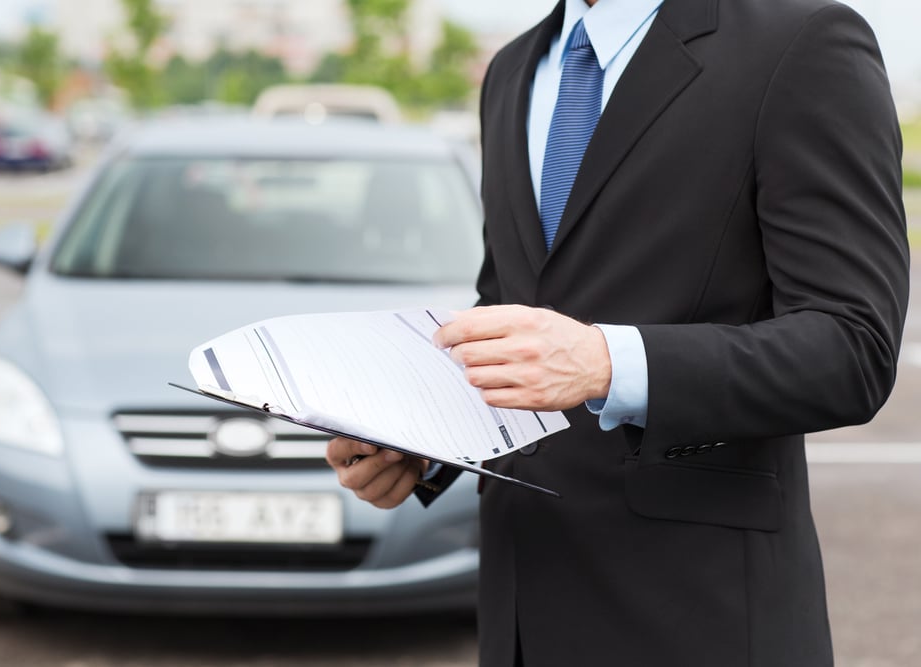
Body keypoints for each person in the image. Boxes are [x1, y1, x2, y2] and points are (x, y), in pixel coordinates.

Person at [325, 0, 910, 664]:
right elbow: (509, 309)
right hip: (520, 616)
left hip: (699, 619)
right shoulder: (512, 70)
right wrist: (423, 439)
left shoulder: (801, 43)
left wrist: (609, 362)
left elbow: (852, 345)